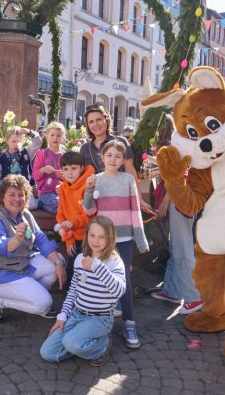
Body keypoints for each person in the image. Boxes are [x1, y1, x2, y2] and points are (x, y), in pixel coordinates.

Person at [83, 140, 149, 348]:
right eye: (109, 155)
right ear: (102, 157)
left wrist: (140, 239)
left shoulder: (128, 179)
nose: (113, 159)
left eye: (118, 156)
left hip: (124, 239)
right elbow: (88, 210)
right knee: (102, 278)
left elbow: (135, 210)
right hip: (103, 241)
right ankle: (101, 321)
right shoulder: (96, 180)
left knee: (125, 281)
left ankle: (129, 323)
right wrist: (89, 189)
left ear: (123, 160)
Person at [0, 174, 68, 323]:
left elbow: (41, 239)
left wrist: (59, 264)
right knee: (44, 303)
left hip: (22, 265)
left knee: (58, 261)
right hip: (0, 275)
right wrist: (17, 239)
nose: (17, 199)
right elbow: (0, 247)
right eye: (12, 194)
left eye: (21, 195)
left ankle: (30, 295)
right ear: (2, 197)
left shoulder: (25, 214)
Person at [40, 216, 126, 367]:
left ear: (110, 238)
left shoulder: (114, 262)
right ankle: (78, 344)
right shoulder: (80, 258)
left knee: (70, 342)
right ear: (86, 236)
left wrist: (97, 267)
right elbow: (73, 291)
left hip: (100, 319)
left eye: (102, 237)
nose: (95, 241)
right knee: (47, 353)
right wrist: (62, 316)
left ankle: (103, 345)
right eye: (92, 235)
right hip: (76, 314)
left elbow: (119, 291)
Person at [150, 115, 202, 314]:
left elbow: (180, 175)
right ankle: (173, 291)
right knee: (176, 247)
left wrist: (166, 201)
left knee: (182, 248)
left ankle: (194, 297)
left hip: (179, 202)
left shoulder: (175, 145)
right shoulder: (176, 144)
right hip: (179, 201)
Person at [79, 104, 151, 211]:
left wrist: (138, 198)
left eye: (99, 120)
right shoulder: (85, 148)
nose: (95, 124)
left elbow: (130, 170)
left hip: (121, 196)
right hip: (98, 199)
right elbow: (81, 176)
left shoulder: (120, 141)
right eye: (91, 122)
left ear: (106, 120)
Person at [55, 151, 95, 285]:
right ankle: (70, 296)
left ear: (81, 168)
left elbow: (89, 214)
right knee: (72, 269)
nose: (70, 173)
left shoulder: (87, 186)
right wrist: (68, 238)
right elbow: (60, 214)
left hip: (89, 238)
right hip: (73, 236)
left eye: (74, 168)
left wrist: (73, 223)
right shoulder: (62, 188)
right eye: (66, 169)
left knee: (87, 272)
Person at [0, 126, 42, 192]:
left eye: (19, 141)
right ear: (7, 141)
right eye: (13, 141)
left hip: (25, 191)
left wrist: (29, 132)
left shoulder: (27, 152)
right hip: (8, 192)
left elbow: (38, 143)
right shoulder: (1, 159)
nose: (16, 144)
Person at [32, 122, 66, 214]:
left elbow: (71, 177)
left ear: (63, 138)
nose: (55, 138)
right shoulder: (41, 154)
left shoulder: (65, 156)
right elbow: (34, 175)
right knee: (61, 204)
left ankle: (41, 204)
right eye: (52, 135)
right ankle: (42, 201)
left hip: (62, 193)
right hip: (46, 193)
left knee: (59, 209)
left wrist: (64, 176)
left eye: (58, 135)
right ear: (47, 136)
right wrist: (42, 170)